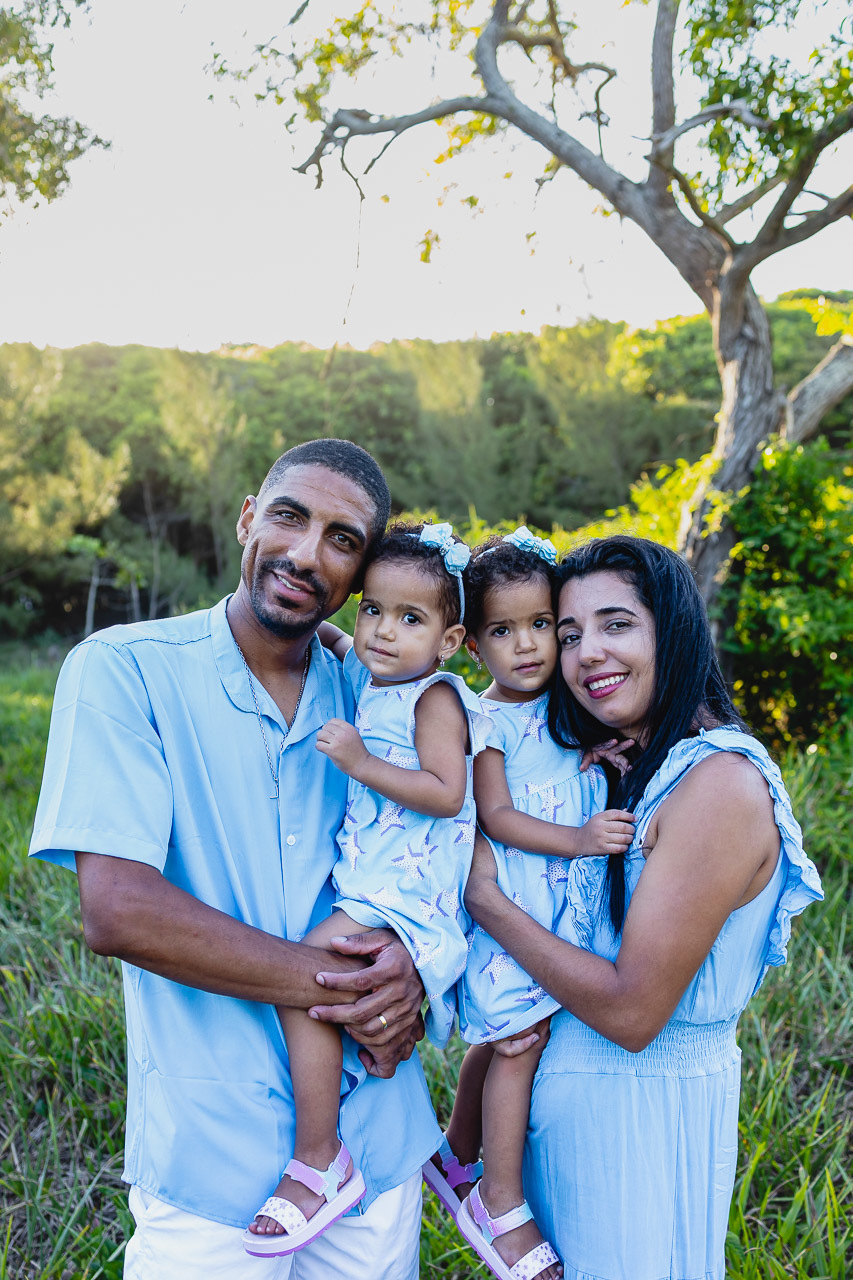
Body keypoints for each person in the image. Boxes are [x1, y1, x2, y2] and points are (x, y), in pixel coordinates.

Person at [29, 438, 442, 1280]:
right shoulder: (123, 671)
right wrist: (352, 986)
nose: (304, 552)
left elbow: (446, 843)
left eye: (341, 538)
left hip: (376, 1135)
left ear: (361, 573)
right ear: (249, 518)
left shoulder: (378, 698)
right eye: (289, 516)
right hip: (210, 1156)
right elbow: (120, 911)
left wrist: (415, 966)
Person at [462, 535, 823, 1280]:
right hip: (570, 1129)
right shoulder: (622, 766)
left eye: (615, 624)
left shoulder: (718, 784)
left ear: (672, 626)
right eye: (567, 634)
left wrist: (487, 903)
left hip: (636, 1133)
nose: (586, 651)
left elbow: (631, 1013)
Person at [244, 520, 492, 1257]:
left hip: (407, 882)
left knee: (304, 970)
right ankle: (378, 1055)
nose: (384, 631)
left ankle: (322, 1158)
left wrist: (358, 763)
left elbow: (448, 793)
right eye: (373, 610)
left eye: (410, 619)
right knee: (330, 977)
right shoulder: (381, 673)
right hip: (379, 875)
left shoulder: (435, 698)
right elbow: (358, 651)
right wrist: (324, 632)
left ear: (448, 642)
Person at [424, 528, 635, 1280]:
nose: (527, 646)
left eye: (541, 625)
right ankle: (497, 1199)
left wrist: (596, 759)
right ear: (472, 645)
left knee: (506, 1031)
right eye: (503, 631)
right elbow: (500, 817)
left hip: (548, 908)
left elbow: (565, 759)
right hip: (508, 900)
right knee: (517, 1044)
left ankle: (453, 1153)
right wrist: (579, 838)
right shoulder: (484, 719)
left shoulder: (558, 701)